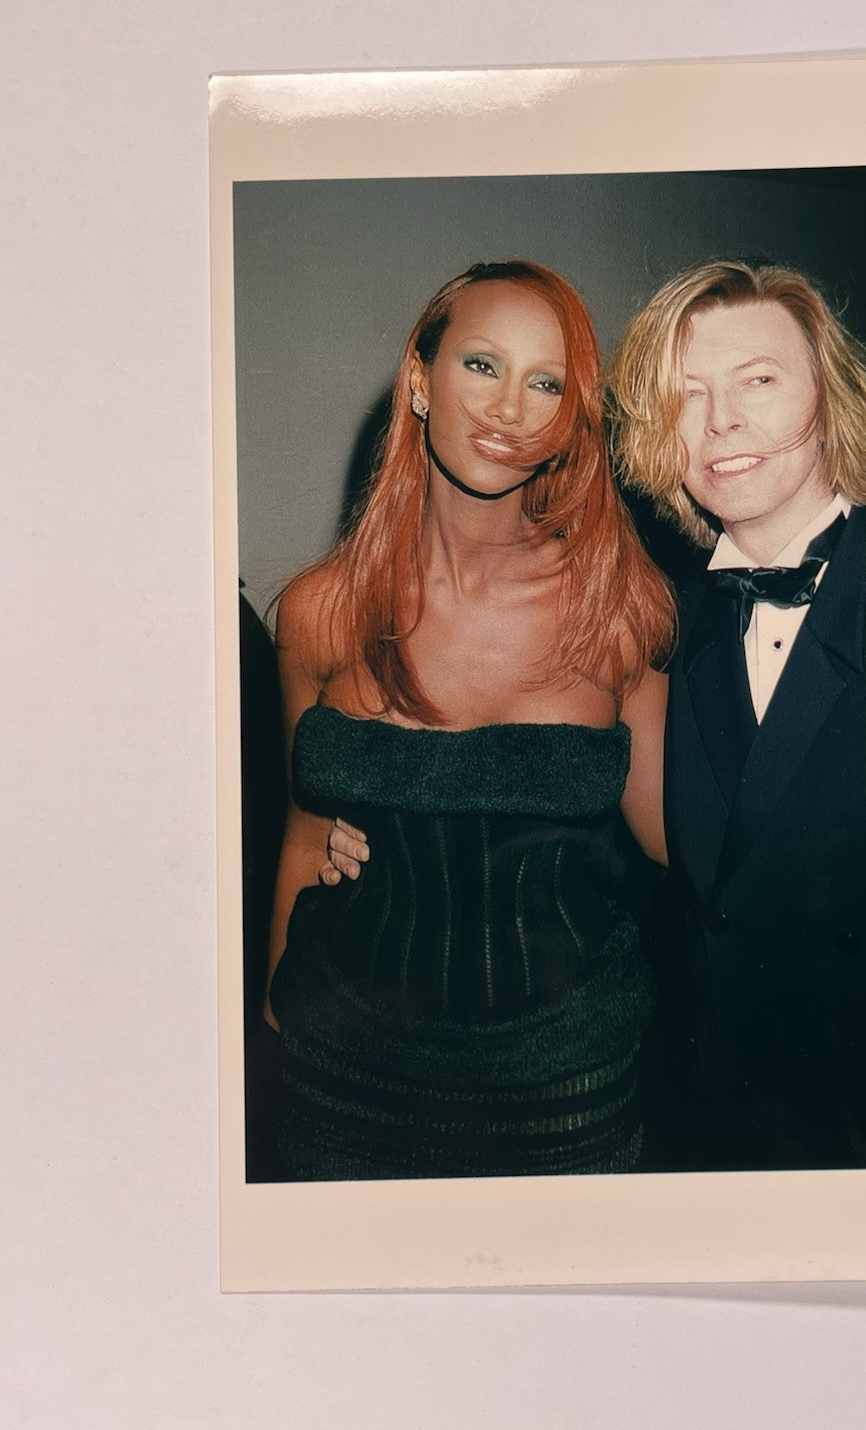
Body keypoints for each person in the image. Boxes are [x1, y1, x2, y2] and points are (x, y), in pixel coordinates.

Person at [265, 260, 674, 1181]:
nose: (510, 408)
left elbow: (684, 844)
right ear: (420, 379)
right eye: (482, 365)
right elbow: (304, 837)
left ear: (570, 418)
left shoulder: (618, 610)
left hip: (569, 1092)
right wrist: (271, 1021)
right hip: (338, 1083)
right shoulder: (321, 612)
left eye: (547, 383)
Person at [605, 258, 866, 1171]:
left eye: (758, 380)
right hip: (719, 1149)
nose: (720, 420)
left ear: (829, 398)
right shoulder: (658, 625)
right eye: (686, 395)